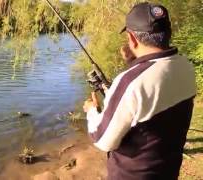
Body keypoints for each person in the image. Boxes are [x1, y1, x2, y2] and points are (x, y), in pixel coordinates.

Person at [83, 2, 196, 180]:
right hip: (168, 171)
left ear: (132, 38)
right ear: (168, 32)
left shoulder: (131, 82)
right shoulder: (186, 66)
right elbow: (154, 95)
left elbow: (102, 139)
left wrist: (91, 111)